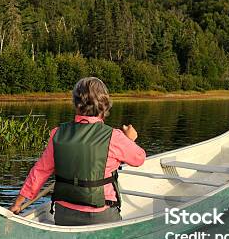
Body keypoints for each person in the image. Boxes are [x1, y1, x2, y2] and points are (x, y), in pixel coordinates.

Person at [9, 77, 146, 225]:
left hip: (63, 215)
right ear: (105, 104)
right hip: (100, 216)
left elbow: (40, 171)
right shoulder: (114, 136)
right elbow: (139, 159)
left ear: (76, 103)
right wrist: (129, 139)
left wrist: (18, 203)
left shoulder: (58, 133)